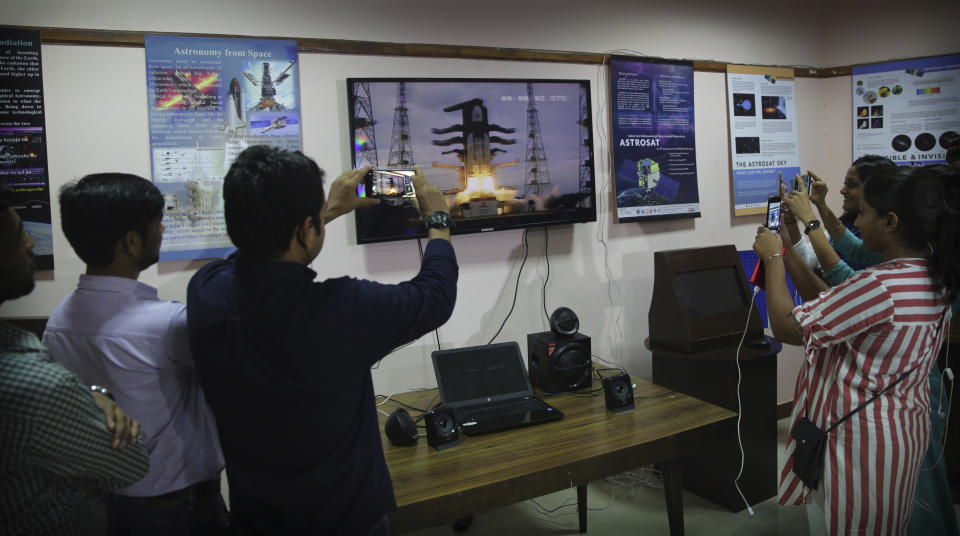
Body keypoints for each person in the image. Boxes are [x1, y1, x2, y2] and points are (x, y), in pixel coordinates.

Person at [187, 146, 458, 535]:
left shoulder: (206, 292)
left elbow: (247, 258)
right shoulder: (343, 308)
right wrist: (438, 218)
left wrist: (323, 213)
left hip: (256, 517)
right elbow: (435, 297)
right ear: (304, 229)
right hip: (345, 520)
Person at [754, 165, 959, 534]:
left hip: (857, 445)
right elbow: (836, 306)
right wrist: (786, 245)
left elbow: (786, 325)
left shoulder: (879, 284)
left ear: (891, 221)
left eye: (863, 212)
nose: (855, 222)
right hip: (899, 433)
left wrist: (771, 258)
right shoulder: (932, 275)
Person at [42, 173, 226, 535]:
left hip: (105, 503)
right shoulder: (167, 325)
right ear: (131, 241)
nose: (162, 230)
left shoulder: (58, 321)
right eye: (158, 223)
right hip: (176, 508)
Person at [0, 185, 149, 536]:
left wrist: (90, 393)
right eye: (18, 233)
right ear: (132, 241)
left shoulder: (58, 317)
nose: (30, 243)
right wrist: (95, 399)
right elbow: (131, 462)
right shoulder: (35, 386)